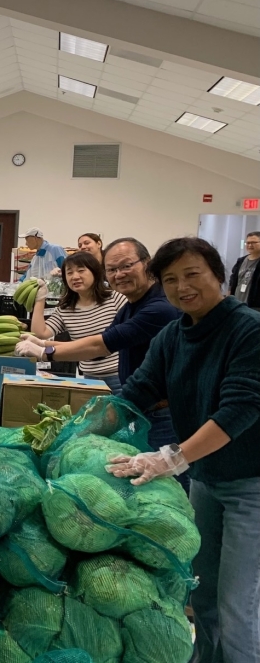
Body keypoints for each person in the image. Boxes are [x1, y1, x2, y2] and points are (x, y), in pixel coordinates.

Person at [106, 237, 260, 663]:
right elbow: (135, 393)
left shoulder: (249, 330)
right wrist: (77, 434)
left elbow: (239, 409)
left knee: (238, 607)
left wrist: (171, 457)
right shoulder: (174, 334)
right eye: (171, 279)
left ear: (218, 275)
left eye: (192, 274)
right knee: (203, 596)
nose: (182, 287)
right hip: (207, 483)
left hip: (252, 485)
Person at [15, 238, 183, 481]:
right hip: (139, 402)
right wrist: (44, 343)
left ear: (147, 264)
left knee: (169, 481)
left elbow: (100, 344)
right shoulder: (131, 306)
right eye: (113, 269)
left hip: (163, 411)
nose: (119, 274)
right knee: (147, 473)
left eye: (127, 266)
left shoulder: (158, 308)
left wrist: (45, 352)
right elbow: (100, 344)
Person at [26, 251, 126, 392]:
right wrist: (40, 299)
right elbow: (41, 333)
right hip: (90, 379)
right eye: (69, 272)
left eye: (81, 270)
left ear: (95, 272)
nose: (75, 277)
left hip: (120, 378)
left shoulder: (115, 299)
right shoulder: (66, 308)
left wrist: (43, 347)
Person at [228, 230, 259, 311]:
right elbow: (232, 280)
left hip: (255, 306)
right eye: (248, 243)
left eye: (253, 242)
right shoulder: (241, 261)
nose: (249, 245)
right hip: (237, 304)